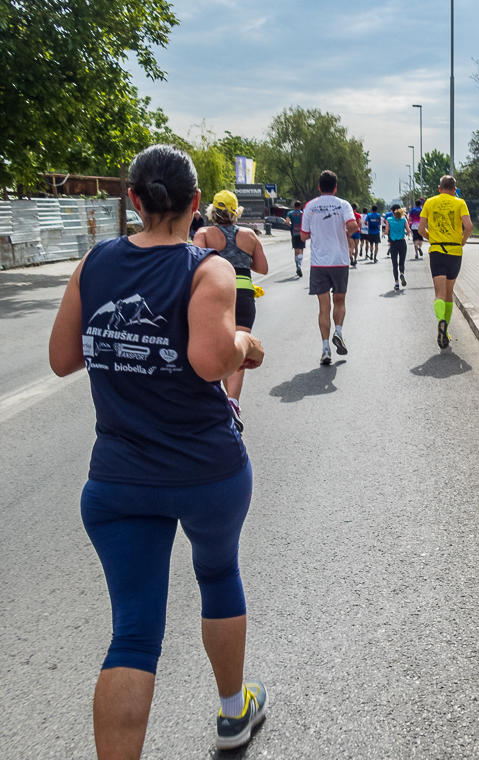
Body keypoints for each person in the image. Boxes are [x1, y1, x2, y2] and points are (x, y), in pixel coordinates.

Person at [48, 144, 267, 758]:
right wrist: (244, 343)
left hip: (118, 478)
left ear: (133, 201)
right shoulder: (209, 268)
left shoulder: (93, 264)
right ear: (196, 205)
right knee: (218, 572)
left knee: (134, 635)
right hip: (207, 472)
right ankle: (233, 713)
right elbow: (207, 360)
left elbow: (62, 359)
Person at [194, 191, 269, 431]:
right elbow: (263, 268)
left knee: (218, 348)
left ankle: (222, 405)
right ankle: (233, 403)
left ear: (212, 211)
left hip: (216, 295)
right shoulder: (248, 235)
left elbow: (193, 265)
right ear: (236, 212)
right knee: (238, 348)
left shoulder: (204, 234)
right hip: (245, 295)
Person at [301, 171, 358, 365]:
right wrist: (344, 231)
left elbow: (303, 236)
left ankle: (325, 349)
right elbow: (353, 226)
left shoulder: (310, 206)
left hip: (319, 263)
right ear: (335, 187)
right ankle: (339, 332)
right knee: (340, 301)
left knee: (323, 307)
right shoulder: (343, 204)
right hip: (340, 260)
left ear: (319, 187)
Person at [420, 175, 472, 348]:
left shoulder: (429, 202)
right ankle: (446, 330)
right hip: (455, 251)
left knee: (439, 294)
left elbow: (421, 229)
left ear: (439, 188)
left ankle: (441, 322)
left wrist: (432, 237)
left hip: (437, 251)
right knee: (449, 293)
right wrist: (462, 241)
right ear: (454, 189)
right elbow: (469, 226)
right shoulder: (460, 203)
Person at [385, 206, 411, 291]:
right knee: (402, 262)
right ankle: (402, 273)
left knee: (394, 263)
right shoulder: (403, 219)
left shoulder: (389, 219)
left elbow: (386, 232)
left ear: (392, 211)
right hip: (402, 242)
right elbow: (408, 230)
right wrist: (406, 233)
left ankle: (396, 283)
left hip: (393, 243)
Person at [287, 200, 304, 277]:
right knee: (301, 249)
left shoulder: (290, 213)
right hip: (301, 233)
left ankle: (297, 266)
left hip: (294, 233)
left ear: (294, 206)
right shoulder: (303, 214)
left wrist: (291, 225)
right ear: (300, 206)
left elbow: (287, 222)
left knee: (296, 250)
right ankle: (300, 266)